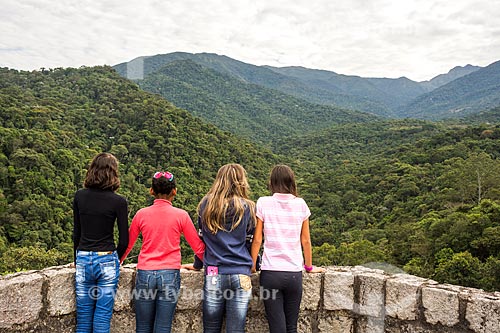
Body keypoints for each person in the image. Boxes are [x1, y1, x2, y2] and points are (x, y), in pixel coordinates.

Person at [120, 170, 205, 333]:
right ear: (175, 191)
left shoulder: (141, 214)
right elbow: (198, 247)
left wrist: (119, 261)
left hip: (145, 272)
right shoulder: (181, 215)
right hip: (169, 274)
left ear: (152, 191)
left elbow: (128, 244)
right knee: (163, 327)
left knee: (143, 327)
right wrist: (210, 263)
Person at [251, 164, 324, 333]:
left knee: (277, 328)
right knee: (291, 327)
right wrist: (309, 267)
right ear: (292, 182)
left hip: (270, 274)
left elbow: (257, 239)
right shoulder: (301, 204)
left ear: (272, 182)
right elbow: (306, 241)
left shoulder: (263, 202)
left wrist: (253, 264)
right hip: (293, 274)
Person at [73, 152, 129, 333]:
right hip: (106, 258)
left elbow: (77, 232)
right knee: (102, 316)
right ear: (113, 173)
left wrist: (77, 257)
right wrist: (115, 259)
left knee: (83, 316)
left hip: (83, 256)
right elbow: (124, 240)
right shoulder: (119, 201)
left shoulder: (80, 196)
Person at [197, 163, 256, 333]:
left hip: (214, 272)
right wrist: (254, 263)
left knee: (211, 329)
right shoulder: (248, 207)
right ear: (241, 181)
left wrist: (197, 264)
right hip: (241, 273)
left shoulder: (206, 205)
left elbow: (202, 239)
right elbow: (251, 241)